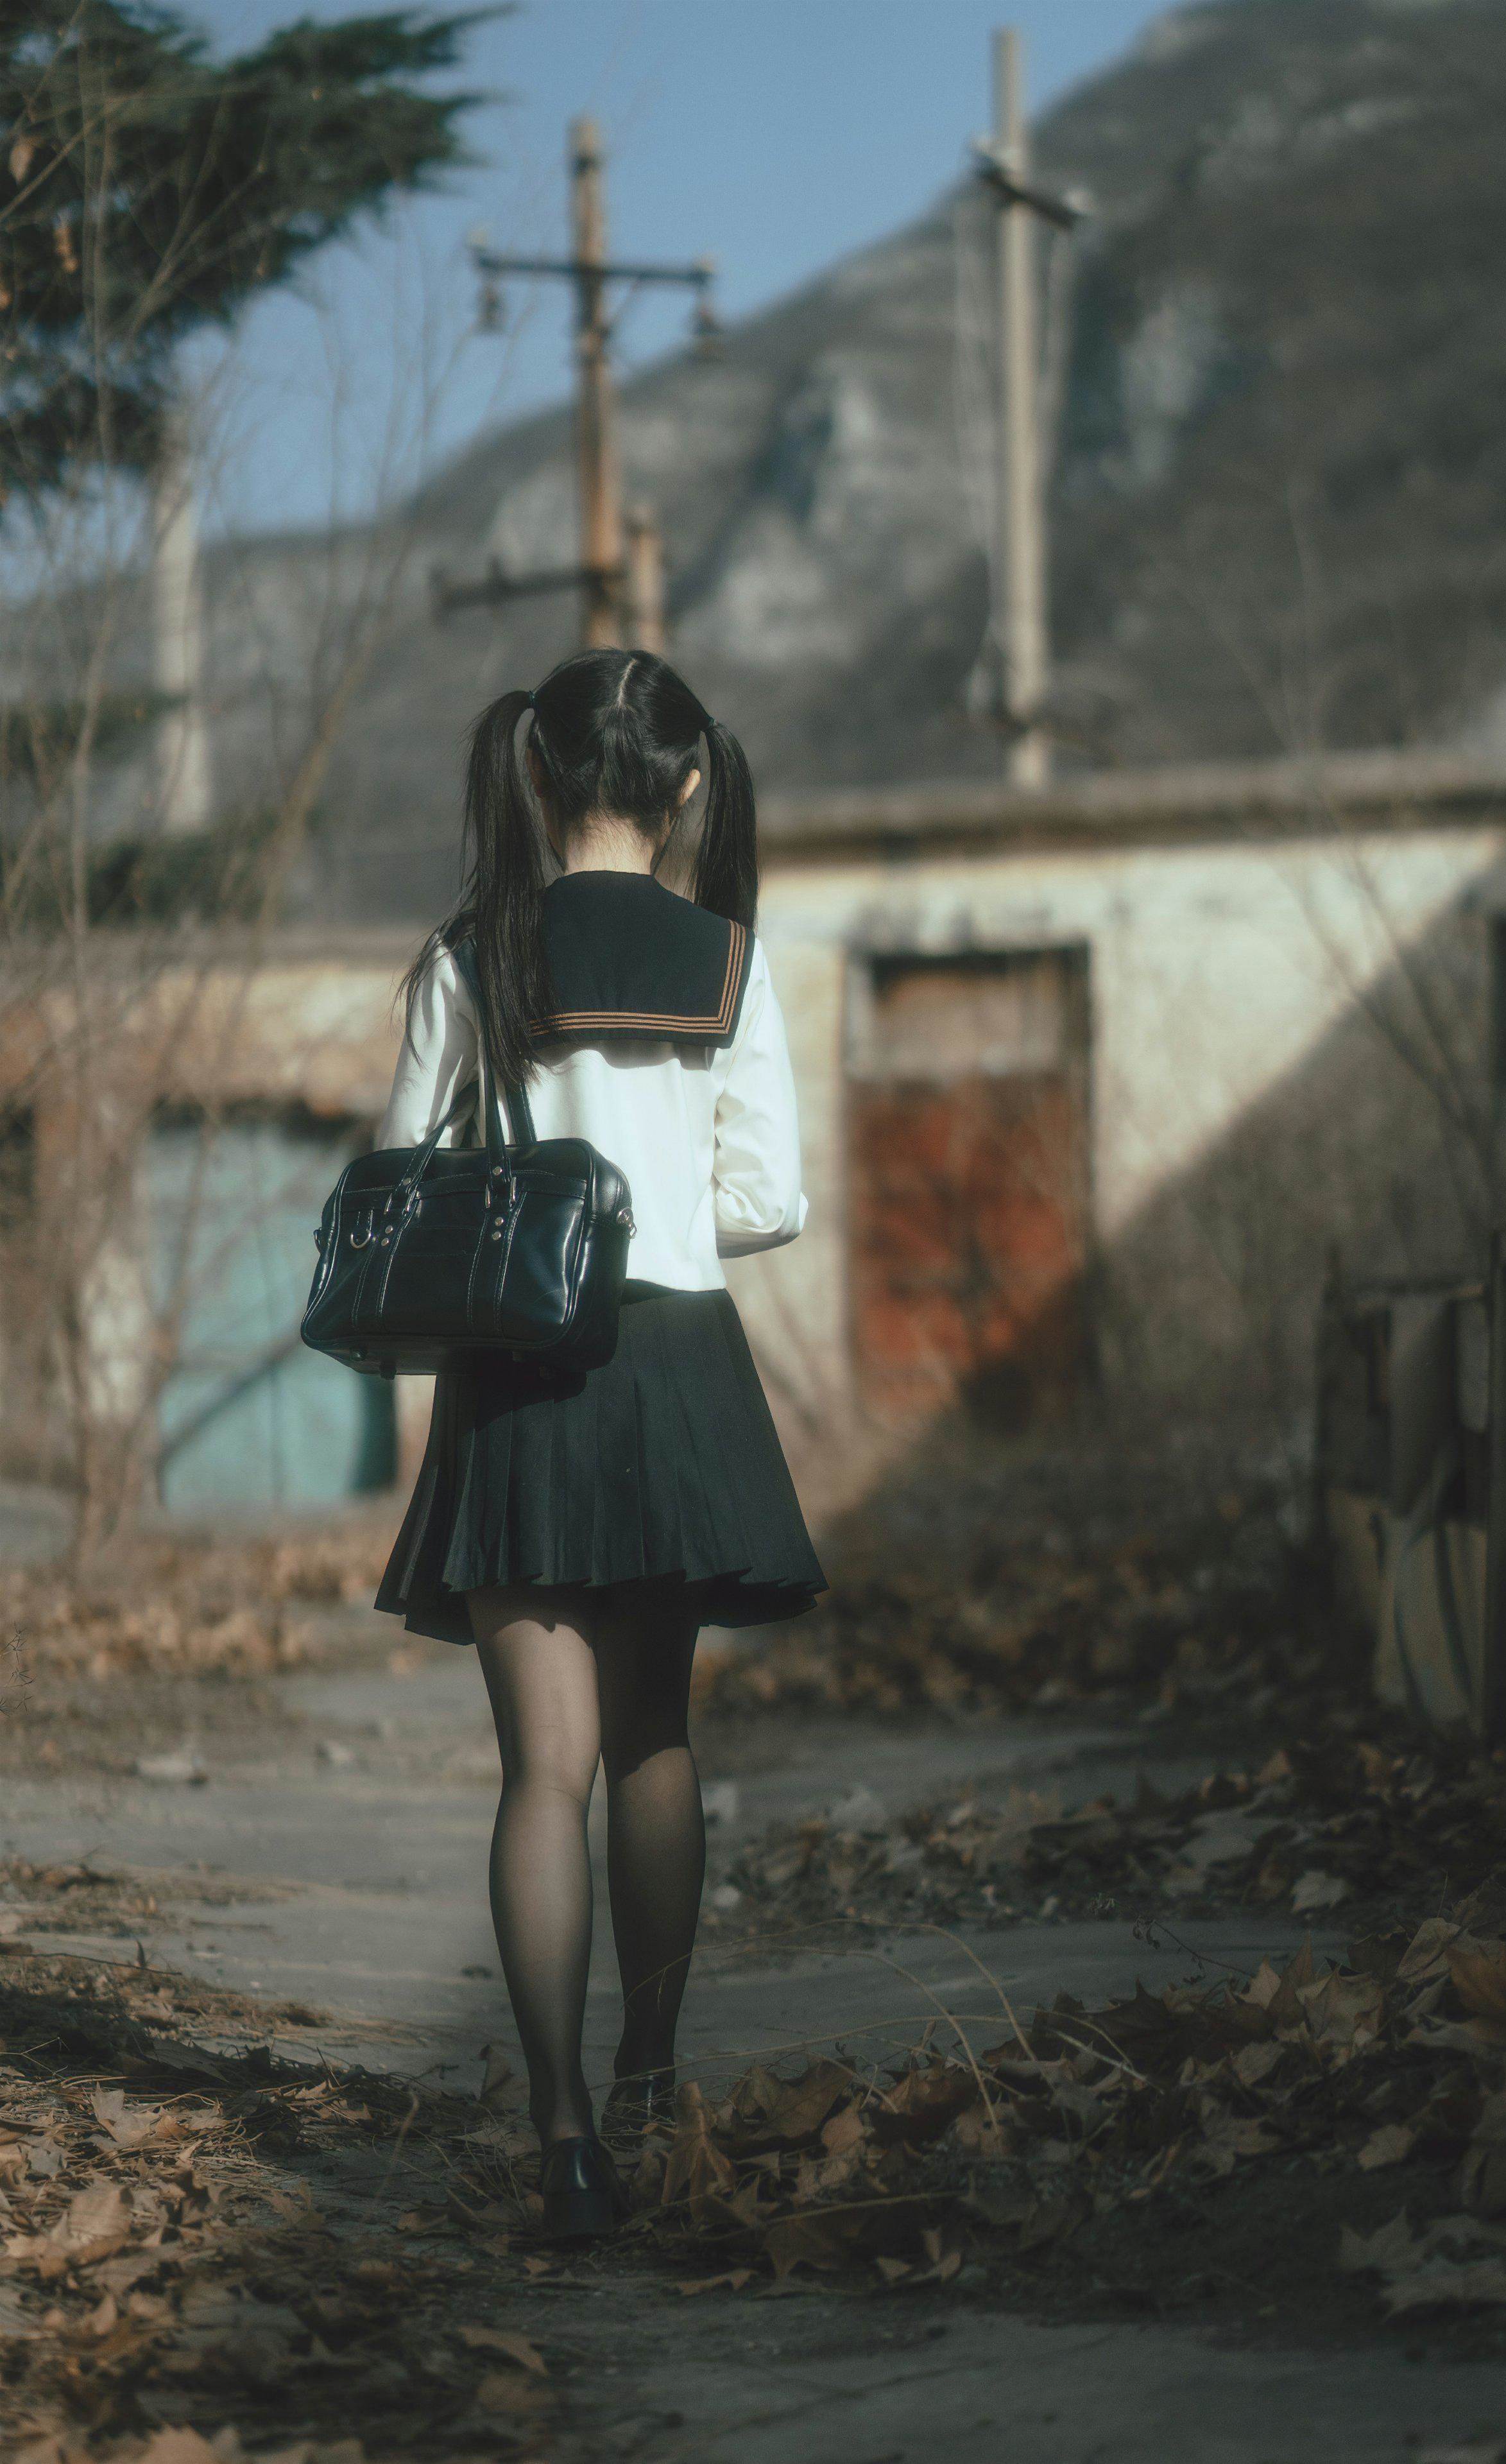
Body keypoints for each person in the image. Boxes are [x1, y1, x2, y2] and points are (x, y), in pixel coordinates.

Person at [373, 648, 825, 2239]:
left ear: (534, 772)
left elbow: (405, 1178)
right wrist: (663, 1206)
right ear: (688, 786)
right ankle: (650, 2077)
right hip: (676, 1368)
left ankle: (561, 2136)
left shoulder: (467, 960)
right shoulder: (727, 963)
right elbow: (768, 1197)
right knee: (652, 1741)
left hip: (517, 1374)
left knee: (540, 1771)